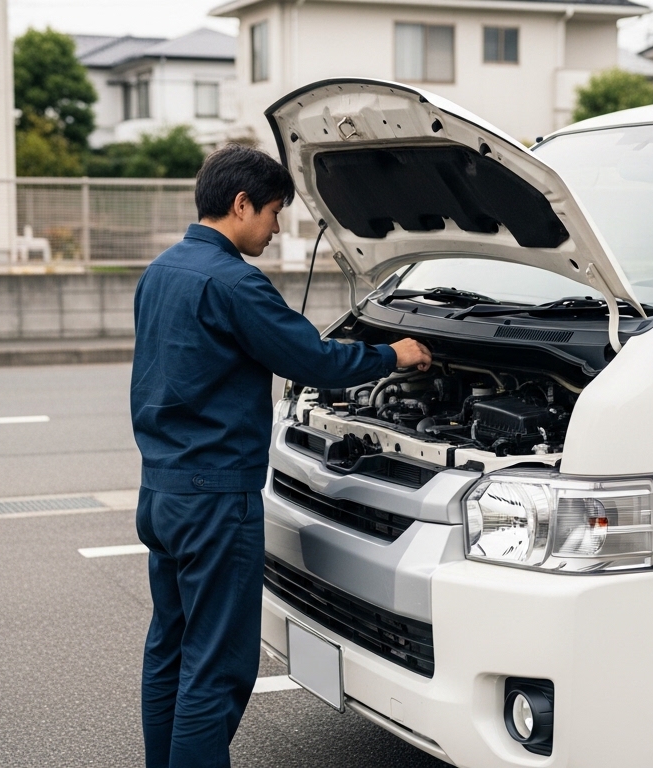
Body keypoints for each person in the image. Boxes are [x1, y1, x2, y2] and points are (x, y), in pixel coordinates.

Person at [130, 144, 431, 768]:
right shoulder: (234, 281)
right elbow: (314, 360)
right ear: (241, 205)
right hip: (215, 499)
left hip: (161, 493)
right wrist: (393, 357)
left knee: (172, 647)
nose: (274, 228)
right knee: (217, 666)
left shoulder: (161, 270)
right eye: (272, 213)